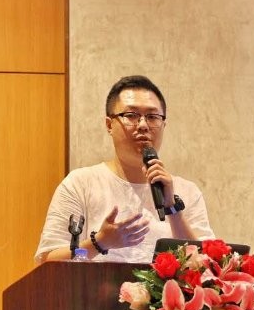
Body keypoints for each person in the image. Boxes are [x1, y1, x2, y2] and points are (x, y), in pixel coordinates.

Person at [35, 75, 215, 263]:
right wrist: (99, 243)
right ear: (109, 125)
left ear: (163, 124)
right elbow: (49, 260)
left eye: (152, 117)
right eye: (131, 115)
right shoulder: (80, 184)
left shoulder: (188, 192)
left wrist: (172, 207)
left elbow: (208, 266)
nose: (143, 125)